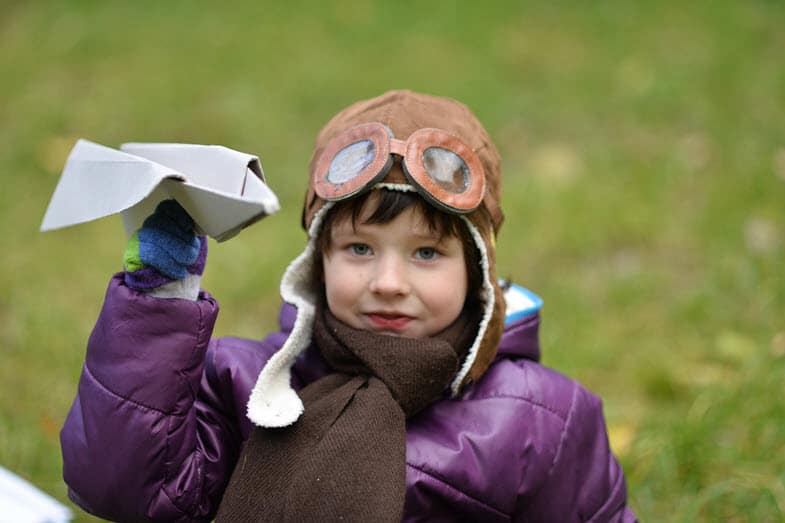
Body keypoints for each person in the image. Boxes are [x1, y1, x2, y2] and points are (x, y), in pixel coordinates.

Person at [60, 90, 637, 521]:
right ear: (318, 261)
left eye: (427, 253)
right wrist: (160, 297)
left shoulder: (542, 420)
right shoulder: (250, 388)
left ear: (477, 270)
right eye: (359, 248)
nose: (388, 282)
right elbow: (124, 486)